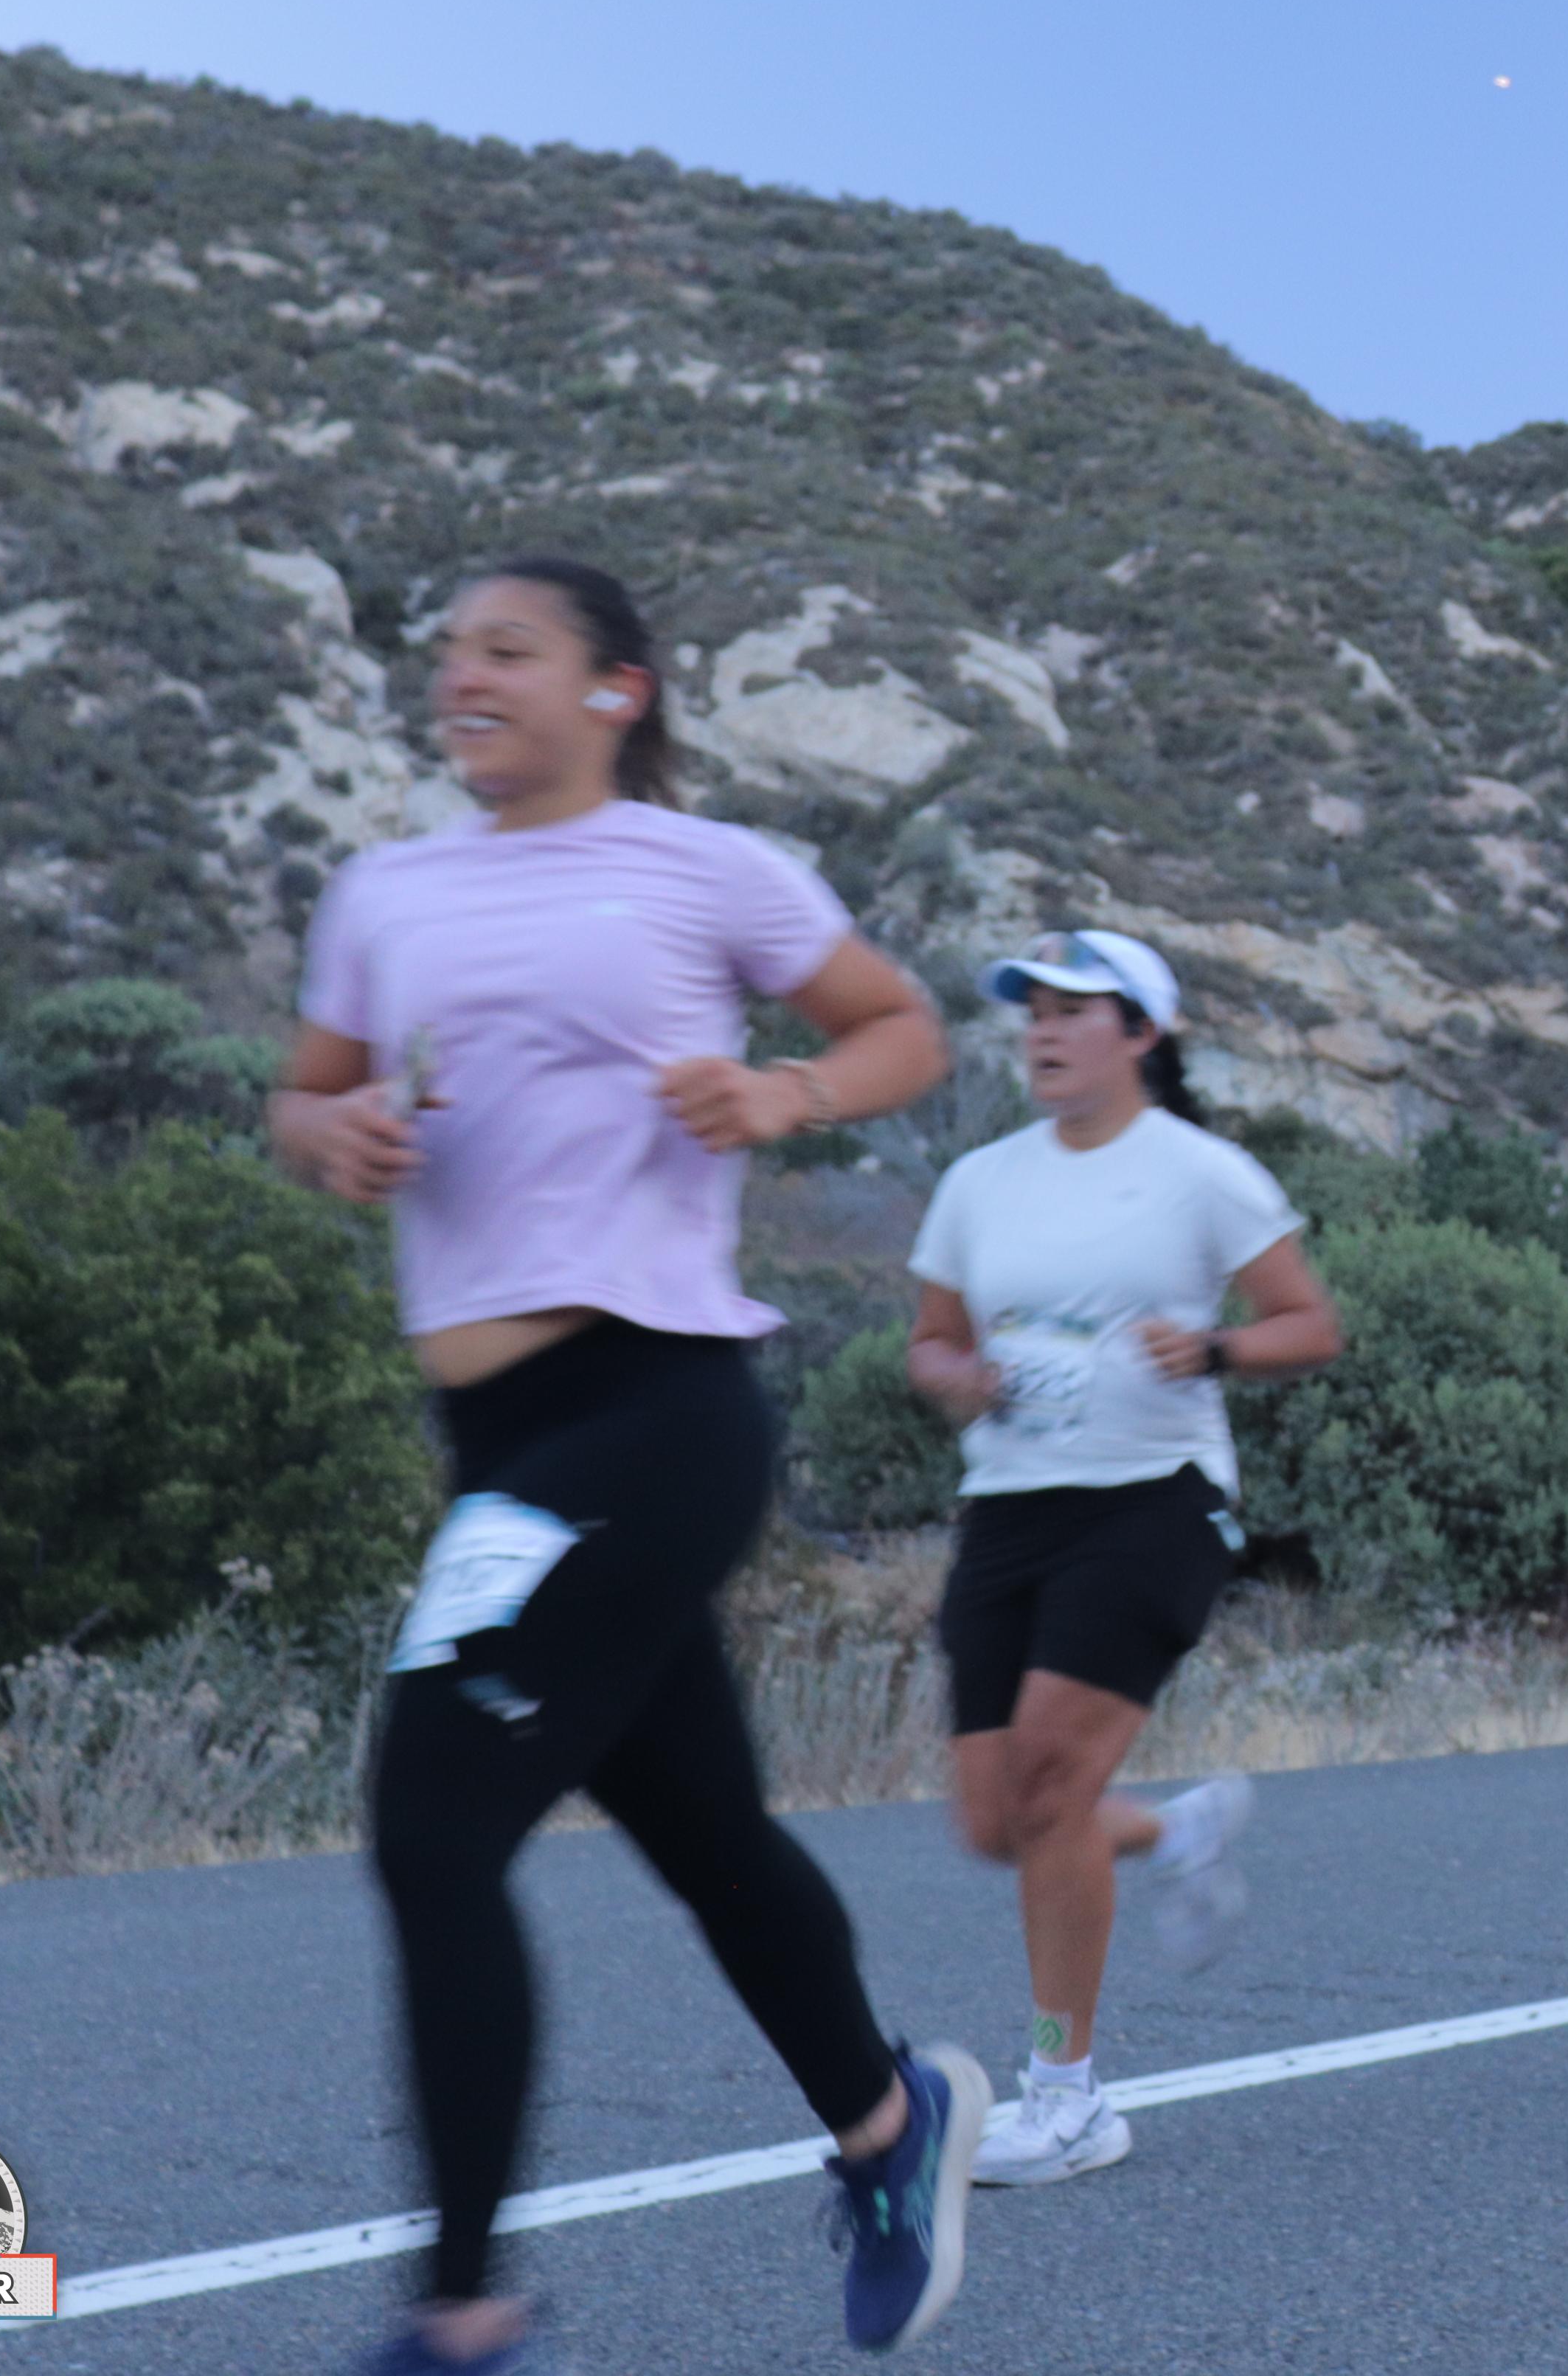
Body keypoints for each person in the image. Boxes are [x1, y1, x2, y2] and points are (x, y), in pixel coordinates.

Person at [271, 557, 982, 2372]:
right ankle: (891, 2124)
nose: (465, 676)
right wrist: (332, 1132)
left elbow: (900, 1027)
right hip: (497, 1438)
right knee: (706, 1829)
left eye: (508, 649)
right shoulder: (386, 891)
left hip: (655, 1405)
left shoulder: (704, 869)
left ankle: (463, 2311)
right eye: (451, 652)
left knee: (435, 1822)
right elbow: (303, 1090)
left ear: (616, 688)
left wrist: (786, 1093)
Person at [904, 928, 1345, 2186]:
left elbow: (1310, 1324)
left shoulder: (1201, 1174)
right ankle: (1174, 1829)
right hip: (1009, 1509)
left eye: (1074, 1010)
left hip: (1155, 1502)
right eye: (1033, 1010)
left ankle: (1068, 2096)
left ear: (1141, 1035)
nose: (1044, 1031)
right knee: (996, 1822)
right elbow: (930, 1340)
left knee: (1050, 1784)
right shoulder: (980, 1181)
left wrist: (1213, 1350)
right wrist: (957, 1377)